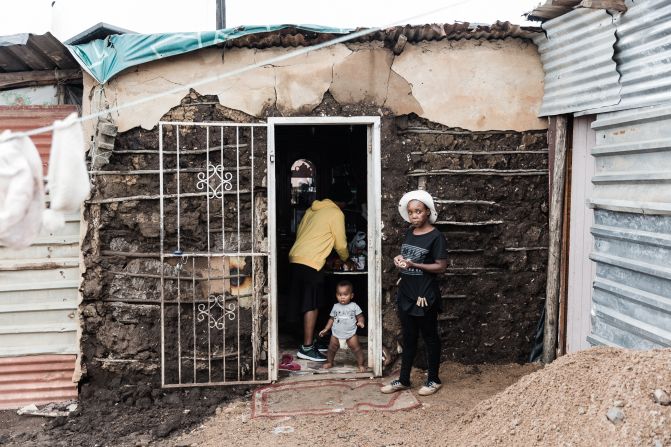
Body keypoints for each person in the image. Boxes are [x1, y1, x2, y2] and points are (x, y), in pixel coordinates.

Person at [381, 190, 447, 396]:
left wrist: (415, 264)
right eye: (411, 212)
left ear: (428, 211)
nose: (414, 216)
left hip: (425, 294)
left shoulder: (436, 236)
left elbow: (441, 266)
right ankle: (403, 380)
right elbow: (407, 257)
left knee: (429, 337)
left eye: (418, 211)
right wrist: (400, 260)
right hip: (407, 292)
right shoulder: (410, 232)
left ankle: (434, 379)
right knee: (408, 338)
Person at [289, 184, 355, 362]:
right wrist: (346, 259)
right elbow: (341, 244)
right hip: (312, 261)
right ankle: (307, 347)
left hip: (296, 257)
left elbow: (302, 234)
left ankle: (311, 341)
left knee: (304, 301)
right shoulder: (336, 213)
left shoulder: (312, 210)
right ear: (342, 203)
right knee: (312, 304)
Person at [318, 280, 366, 372]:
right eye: (339, 295)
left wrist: (361, 322)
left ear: (351, 296)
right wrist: (326, 329)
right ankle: (329, 362)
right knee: (331, 349)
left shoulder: (354, 306)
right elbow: (331, 319)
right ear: (336, 295)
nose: (342, 297)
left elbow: (360, 316)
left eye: (345, 294)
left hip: (351, 334)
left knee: (357, 349)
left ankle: (360, 364)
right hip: (336, 334)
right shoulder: (335, 306)